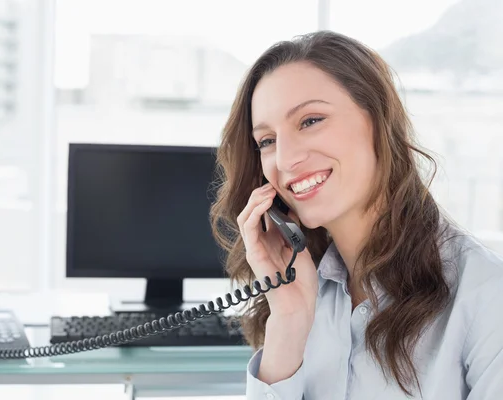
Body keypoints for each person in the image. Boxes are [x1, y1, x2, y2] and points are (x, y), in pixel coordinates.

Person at [209, 30, 503, 400]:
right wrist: (288, 321)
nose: (285, 160)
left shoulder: (487, 297)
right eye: (266, 141)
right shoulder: (301, 292)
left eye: (310, 120)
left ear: (378, 120)